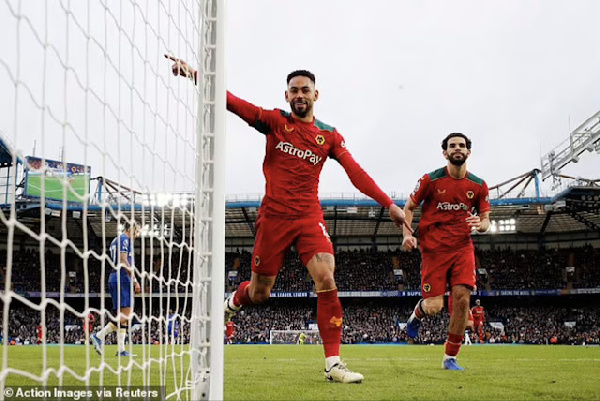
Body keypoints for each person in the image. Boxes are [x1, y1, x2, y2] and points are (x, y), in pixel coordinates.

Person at [166, 55, 409, 383]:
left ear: (315, 95)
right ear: (286, 96)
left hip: (309, 217)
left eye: (305, 89)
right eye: (293, 90)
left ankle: (333, 364)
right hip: (274, 218)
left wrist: (387, 204)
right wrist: (196, 75)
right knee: (260, 293)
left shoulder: (329, 136)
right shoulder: (275, 122)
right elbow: (234, 104)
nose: (299, 94)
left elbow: (355, 172)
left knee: (326, 277)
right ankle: (233, 301)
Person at [402, 133, 491, 371]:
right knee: (434, 307)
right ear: (445, 153)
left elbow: (485, 221)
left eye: (462, 145)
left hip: (463, 247)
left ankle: (450, 357)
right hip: (433, 249)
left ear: (468, 152)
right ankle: (416, 315)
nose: (457, 149)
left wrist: (479, 225)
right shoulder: (430, 180)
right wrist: (407, 234)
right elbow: (408, 208)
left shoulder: (479, 185)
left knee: (462, 298)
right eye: (452, 146)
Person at [92, 221, 141, 357]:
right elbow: (123, 260)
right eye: (137, 231)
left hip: (114, 277)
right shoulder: (125, 240)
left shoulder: (115, 240)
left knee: (123, 316)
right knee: (127, 313)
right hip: (122, 277)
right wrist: (135, 280)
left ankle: (121, 350)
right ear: (131, 228)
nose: (137, 235)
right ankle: (99, 335)